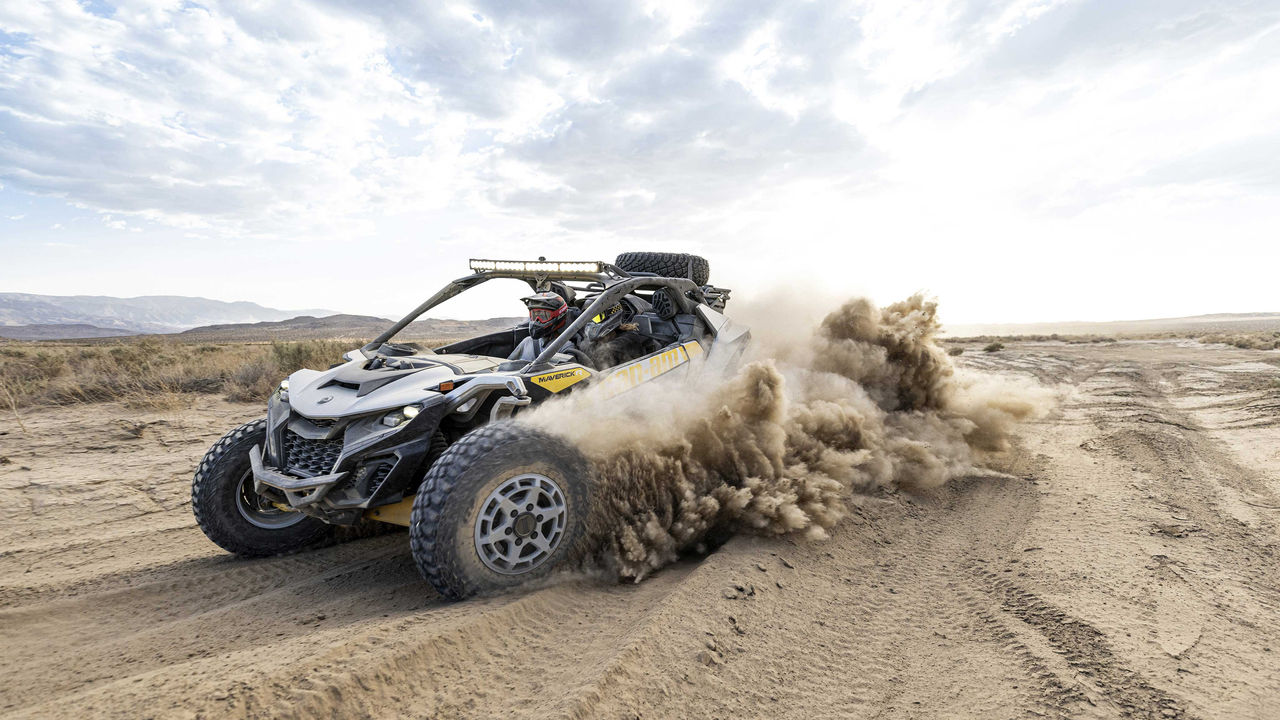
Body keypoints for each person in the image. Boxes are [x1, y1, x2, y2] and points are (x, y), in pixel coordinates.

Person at [507, 292, 578, 362]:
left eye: (543, 316)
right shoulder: (527, 342)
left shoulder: (565, 347)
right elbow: (506, 366)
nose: (537, 321)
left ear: (559, 316)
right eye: (534, 315)